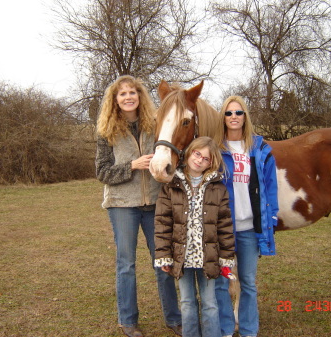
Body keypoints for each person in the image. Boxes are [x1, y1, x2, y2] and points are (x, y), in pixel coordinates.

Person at [95, 75, 182, 337]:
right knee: (126, 264)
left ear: (140, 96)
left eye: (132, 92)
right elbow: (101, 172)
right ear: (115, 99)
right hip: (122, 205)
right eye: (122, 94)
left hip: (155, 203)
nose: (128, 97)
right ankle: (128, 320)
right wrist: (132, 166)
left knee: (163, 260)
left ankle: (174, 318)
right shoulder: (106, 130)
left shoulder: (155, 125)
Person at [154, 136, 235, 337]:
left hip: (209, 257)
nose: (199, 160)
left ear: (211, 162)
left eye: (205, 158)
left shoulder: (218, 188)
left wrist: (226, 257)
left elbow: (225, 225)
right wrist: (164, 255)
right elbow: (163, 223)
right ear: (189, 153)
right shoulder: (171, 185)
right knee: (187, 303)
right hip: (181, 257)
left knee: (209, 303)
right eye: (197, 154)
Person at [214, 96, 279, 337]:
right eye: (229, 113)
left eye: (238, 113)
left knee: (248, 282)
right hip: (224, 229)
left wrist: (271, 217)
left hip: (250, 228)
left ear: (245, 117)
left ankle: (250, 330)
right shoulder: (215, 149)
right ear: (223, 117)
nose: (233, 117)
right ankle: (226, 329)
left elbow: (271, 186)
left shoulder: (259, 149)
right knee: (221, 282)